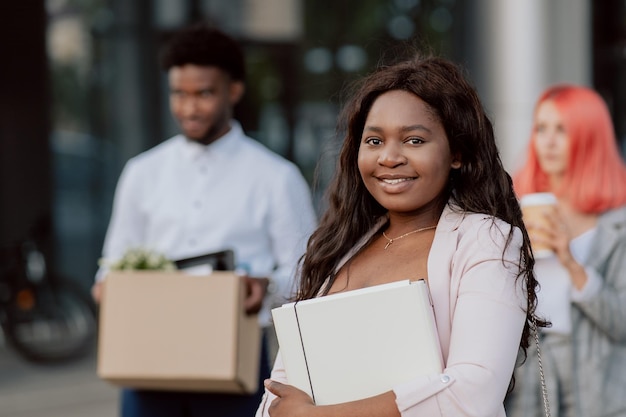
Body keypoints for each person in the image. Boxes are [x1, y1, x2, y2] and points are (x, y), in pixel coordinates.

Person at [255, 54, 546, 417]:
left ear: (456, 153)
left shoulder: (486, 239)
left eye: (413, 140)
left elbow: (472, 393)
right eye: (374, 141)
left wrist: (319, 415)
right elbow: (282, 390)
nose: (389, 157)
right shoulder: (340, 247)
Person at [92, 23, 317, 417]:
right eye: (179, 94)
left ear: (233, 90)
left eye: (204, 94)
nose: (189, 108)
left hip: (235, 363)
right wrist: (107, 290)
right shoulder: (141, 173)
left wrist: (263, 284)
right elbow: (111, 266)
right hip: (148, 363)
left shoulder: (276, 177)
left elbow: (309, 276)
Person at [505, 85, 626, 417]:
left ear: (590, 137)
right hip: (531, 370)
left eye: (563, 130)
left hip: (598, 378)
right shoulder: (514, 210)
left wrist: (570, 261)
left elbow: (621, 322)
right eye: (541, 128)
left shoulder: (616, 224)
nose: (549, 141)